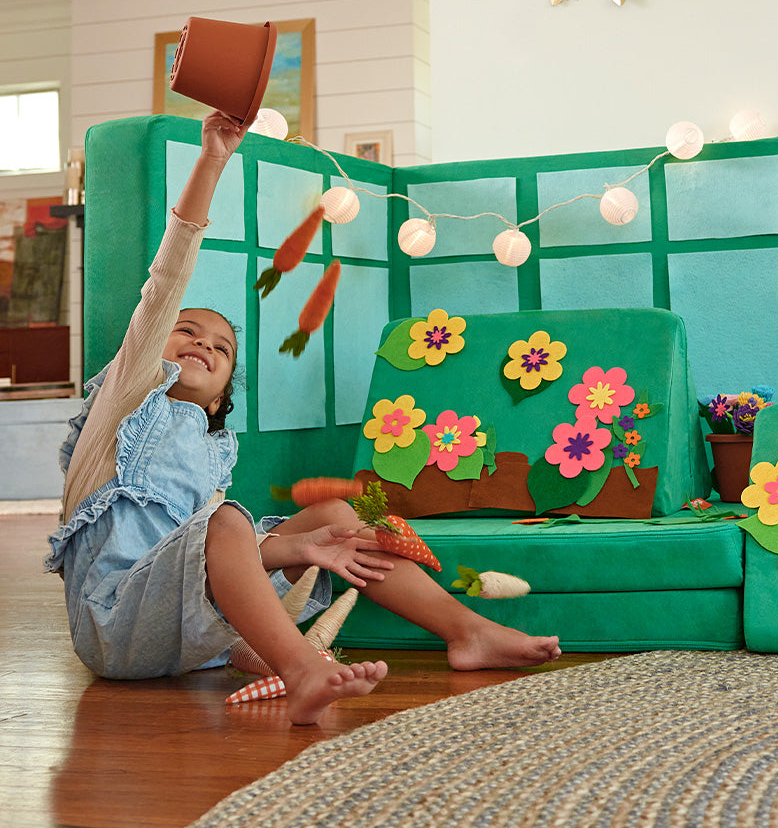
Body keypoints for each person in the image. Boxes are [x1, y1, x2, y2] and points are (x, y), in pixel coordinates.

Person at [46, 111, 560, 725]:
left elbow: (220, 561)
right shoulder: (125, 402)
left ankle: (467, 630)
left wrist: (303, 549)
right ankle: (303, 671)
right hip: (115, 628)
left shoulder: (211, 446)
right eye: (187, 330)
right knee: (229, 521)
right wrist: (213, 158)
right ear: (149, 347)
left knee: (339, 518)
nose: (204, 344)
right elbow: (167, 276)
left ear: (218, 398)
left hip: (185, 640)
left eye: (222, 347)